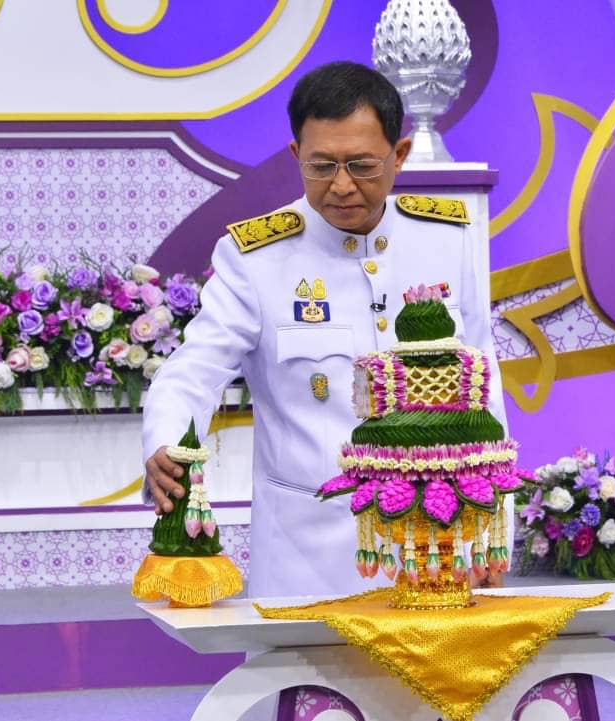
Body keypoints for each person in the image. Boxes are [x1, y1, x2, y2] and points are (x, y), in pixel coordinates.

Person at [141, 60, 505, 601]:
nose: (341, 185)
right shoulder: (256, 258)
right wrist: (167, 443)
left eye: (361, 165)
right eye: (321, 166)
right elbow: (193, 371)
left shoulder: (446, 240)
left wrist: (490, 530)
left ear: (400, 155)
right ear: (296, 155)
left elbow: (481, 385)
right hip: (306, 556)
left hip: (436, 546)